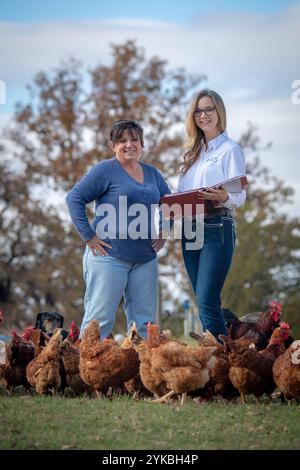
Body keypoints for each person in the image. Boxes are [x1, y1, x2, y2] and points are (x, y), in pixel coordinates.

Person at [66, 120, 169, 339]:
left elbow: (169, 203)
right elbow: (74, 198)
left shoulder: (153, 174)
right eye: (122, 141)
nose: (129, 145)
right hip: (108, 257)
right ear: (113, 146)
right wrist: (88, 236)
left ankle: (142, 373)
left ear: (142, 144)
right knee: (99, 323)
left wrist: (164, 229)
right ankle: (85, 372)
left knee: (146, 326)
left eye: (134, 140)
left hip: (145, 260)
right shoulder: (105, 170)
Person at [178, 89, 246, 339]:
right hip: (189, 230)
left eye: (208, 109)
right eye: (198, 111)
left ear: (219, 112)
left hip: (217, 227)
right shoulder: (191, 155)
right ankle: (224, 359)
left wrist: (224, 197)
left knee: (206, 300)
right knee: (205, 301)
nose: (203, 115)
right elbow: (181, 193)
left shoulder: (230, 150)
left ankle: (220, 360)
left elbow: (240, 195)